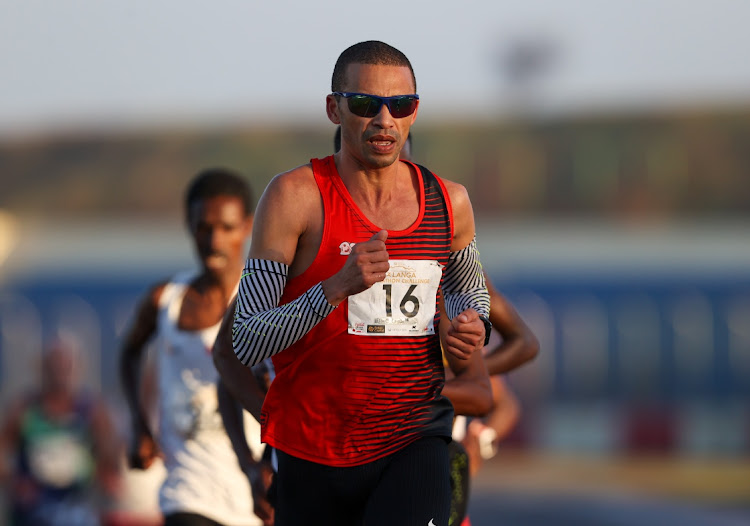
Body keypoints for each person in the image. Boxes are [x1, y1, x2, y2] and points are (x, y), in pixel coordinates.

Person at [224, 40, 492, 526]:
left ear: (415, 112)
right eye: (367, 105)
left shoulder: (451, 202)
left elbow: (466, 289)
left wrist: (474, 323)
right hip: (313, 445)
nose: (385, 120)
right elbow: (246, 338)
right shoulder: (294, 198)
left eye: (401, 105)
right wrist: (332, 289)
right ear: (335, 109)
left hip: (414, 436)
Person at [119, 168, 266, 526]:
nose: (215, 241)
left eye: (227, 228)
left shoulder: (265, 301)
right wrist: (140, 424)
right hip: (187, 490)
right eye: (204, 228)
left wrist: (266, 464)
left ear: (247, 227)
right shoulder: (166, 300)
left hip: (254, 492)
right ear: (189, 225)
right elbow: (129, 352)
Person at [0, 336, 122, 526]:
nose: (59, 373)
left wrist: (106, 472)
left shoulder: (91, 411)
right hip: (33, 510)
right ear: (42, 369)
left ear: (75, 369)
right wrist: (14, 483)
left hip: (77, 504)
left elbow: (110, 452)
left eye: (65, 366)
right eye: (53, 366)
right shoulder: (25, 410)